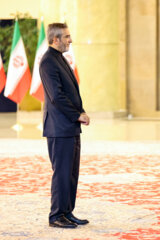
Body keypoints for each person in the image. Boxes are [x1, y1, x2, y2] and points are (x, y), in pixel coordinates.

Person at [39, 23, 90, 228]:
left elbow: (71, 92)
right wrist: (77, 115)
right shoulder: (48, 62)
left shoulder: (59, 58)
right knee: (61, 173)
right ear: (55, 39)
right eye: (67, 37)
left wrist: (80, 113)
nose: (70, 40)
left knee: (71, 172)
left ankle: (67, 211)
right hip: (59, 127)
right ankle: (56, 215)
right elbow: (57, 96)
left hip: (68, 126)